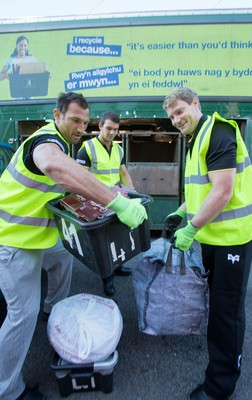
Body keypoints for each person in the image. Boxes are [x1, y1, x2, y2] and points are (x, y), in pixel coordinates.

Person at [0, 92, 147, 400]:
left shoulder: (67, 143)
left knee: (62, 259)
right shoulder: (46, 141)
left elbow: (67, 186)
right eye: (74, 120)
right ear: (57, 115)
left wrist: (107, 194)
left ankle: (51, 311)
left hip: (36, 236)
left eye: (85, 121)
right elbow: (57, 169)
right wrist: (115, 202)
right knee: (20, 315)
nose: (81, 127)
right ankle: (7, 389)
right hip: (12, 241)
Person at [163, 87, 252, 400]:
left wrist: (190, 229)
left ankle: (220, 386)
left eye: (180, 111)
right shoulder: (195, 139)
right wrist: (181, 212)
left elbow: (222, 192)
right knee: (219, 302)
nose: (176, 120)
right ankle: (220, 359)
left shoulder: (218, 133)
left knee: (226, 311)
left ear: (196, 104)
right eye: (171, 117)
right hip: (215, 237)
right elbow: (203, 190)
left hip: (234, 237)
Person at [76, 111, 135, 296]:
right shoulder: (87, 148)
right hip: (96, 203)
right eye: (108, 128)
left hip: (115, 200)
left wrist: (133, 195)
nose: (111, 133)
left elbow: (123, 173)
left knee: (117, 236)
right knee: (102, 242)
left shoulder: (118, 149)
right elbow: (80, 177)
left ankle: (117, 265)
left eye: (115, 130)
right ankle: (107, 277)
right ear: (100, 126)